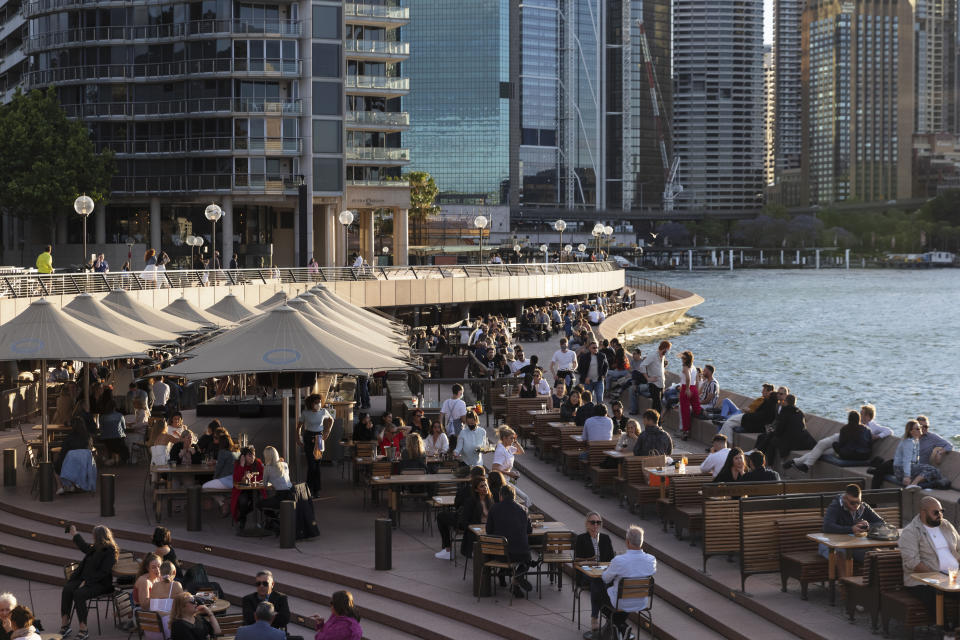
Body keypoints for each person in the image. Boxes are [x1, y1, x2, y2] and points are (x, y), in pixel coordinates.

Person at [900, 496, 960, 621]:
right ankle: (946, 632)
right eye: (936, 512)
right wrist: (940, 577)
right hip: (923, 582)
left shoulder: (946, 525)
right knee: (935, 596)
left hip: (952, 577)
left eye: (941, 511)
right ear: (923, 512)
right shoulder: (910, 532)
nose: (940, 515)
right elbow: (913, 563)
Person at [786, 404, 893, 473]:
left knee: (822, 448)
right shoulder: (863, 428)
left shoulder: (872, 427)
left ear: (869, 417)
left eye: (863, 414)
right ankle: (800, 463)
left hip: (847, 446)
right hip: (848, 443)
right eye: (860, 414)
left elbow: (888, 431)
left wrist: (877, 436)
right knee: (822, 446)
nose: (861, 416)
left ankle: (798, 462)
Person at [594, 525, 656, 640]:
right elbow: (650, 571)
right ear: (641, 542)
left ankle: (621, 627)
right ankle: (619, 627)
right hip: (641, 602)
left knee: (597, 592)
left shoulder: (619, 560)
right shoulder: (651, 560)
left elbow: (605, 578)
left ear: (627, 542)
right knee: (617, 594)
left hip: (621, 603)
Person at [60, 525, 119, 640]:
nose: (92, 537)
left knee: (79, 594)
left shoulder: (110, 551)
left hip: (101, 584)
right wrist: (75, 533)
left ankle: (83, 629)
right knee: (67, 589)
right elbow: (84, 547)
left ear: (99, 536)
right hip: (86, 580)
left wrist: (87, 582)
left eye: (94, 535)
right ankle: (65, 625)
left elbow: (104, 572)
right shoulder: (95, 547)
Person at [820, 485, 886, 573]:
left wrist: (868, 526)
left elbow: (881, 523)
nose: (856, 506)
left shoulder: (863, 507)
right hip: (831, 544)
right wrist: (851, 529)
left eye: (858, 502)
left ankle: (873, 584)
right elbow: (827, 526)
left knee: (876, 554)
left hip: (853, 545)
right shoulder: (835, 506)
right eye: (852, 503)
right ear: (844, 499)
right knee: (840, 554)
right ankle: (844, 585)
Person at [485, 484, 533, 599]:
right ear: (514, 496)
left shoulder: (494, 508)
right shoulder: (524, 510)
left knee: (504, 548)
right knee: (527, 560)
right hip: (521, 554)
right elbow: (529, 530)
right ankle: (517, 578)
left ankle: (503, 575)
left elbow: (488, 531)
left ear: (501, 496)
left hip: (499, 554)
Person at [575, 512, 616, 635]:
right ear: (587, 524)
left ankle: (605, 616)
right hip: (586, 574)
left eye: (598, 522)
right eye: (593, 522)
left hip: (602, 573)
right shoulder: (581, 539)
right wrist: (590, 561)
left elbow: (611, 559)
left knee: (603, 583)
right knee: (597, 582)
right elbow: (577, 561)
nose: (595, 525)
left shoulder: (605, 538)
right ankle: (599, 617)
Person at [435, 466, 486, 560]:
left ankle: (447, 550)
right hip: (483, 523)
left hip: (466, 523)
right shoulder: (488, 490)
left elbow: (457, 504)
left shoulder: (466, 489)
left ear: (471, 476)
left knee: (441, 516)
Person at [757, 394, 815, 465]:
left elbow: (779, 431)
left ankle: (765, 461)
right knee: (769, 436)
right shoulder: (800, 412)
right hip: (801, 441)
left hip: (790, 442)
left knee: (771, 440)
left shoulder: (784, 411)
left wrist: (772, 431)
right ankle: (759, 454)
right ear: (795, 403)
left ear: (786, 402)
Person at [894, 420, 948, 489]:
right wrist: (907, 476)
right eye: (917, 428)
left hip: (907, 469)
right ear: (911, 432)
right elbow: (906, 461)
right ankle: (913, 484)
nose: (920, 429)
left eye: (920, 427)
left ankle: (918, 483)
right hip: (901, 471)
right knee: (933, 470)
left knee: (935, 474)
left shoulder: (915, 440)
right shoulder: (909, 442)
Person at [298, 394, 333, 496]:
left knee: (317, 465)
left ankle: (316, 490)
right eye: (316, 403)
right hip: (308, 437)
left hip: (319, 437)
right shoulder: (305, 413)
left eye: (319, 402)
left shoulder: (323, 411)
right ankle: (309, 489)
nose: (318, 404)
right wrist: (298, 438)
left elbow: (331, 420)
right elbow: (299, 427)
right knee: (311, 465)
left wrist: (327, 432)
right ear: (311, 404)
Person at [202, 432, 240, 515]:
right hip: (235, 480)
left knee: (204, 487)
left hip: (227, 480)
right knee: (214, 486)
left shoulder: (222, 452)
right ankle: (224, 502)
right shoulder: (235, 451)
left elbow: (219, 468)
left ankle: (223, 502)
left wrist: (214, 478)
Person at [458, 476, 494, 559]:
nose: (485, 488)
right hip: (475, 532)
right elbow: (464, 521)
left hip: (489, 530)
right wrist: (474, 528)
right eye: (482, 486)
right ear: (476, 490)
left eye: (486, 485)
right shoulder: (470, 502)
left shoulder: (491, 501)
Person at [231, 446, 265, 531]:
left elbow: (262, 476)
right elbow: (236, 479)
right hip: (242, 490)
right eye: (249, 455)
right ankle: (243, 520)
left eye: (253, 455)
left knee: (259, 500)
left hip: (256, 490)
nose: (252, 457)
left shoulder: (258, 463)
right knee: (243, 501)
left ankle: (242, 516)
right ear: (243, 456)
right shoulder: (238, 464)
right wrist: (242, 466)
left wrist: (250, 478)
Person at [639, 341, 671, 416]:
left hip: (661, 385)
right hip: (654, 384)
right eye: (668, 349)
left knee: (655, 406)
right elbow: (642, 366)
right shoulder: (653, 355)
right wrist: (648, 378)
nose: (668, 351)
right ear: (664, 348)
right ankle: (658, 425)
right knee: (658, 407)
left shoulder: (662, 357)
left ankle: (652, 422)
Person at [98, 393, 129, 466]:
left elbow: (101, 428)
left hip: (106, 439)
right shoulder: (119, 415)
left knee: (112, 445)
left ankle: (111, 458)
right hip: (118, 438)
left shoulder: (102, 417)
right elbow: (124, 427)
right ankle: (121, 459)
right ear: (115, 407)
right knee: (122, 444)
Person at [677, 351, 701, 440]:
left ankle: (686, 431)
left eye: (683, 358)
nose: (681, 359)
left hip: (685, 388)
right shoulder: (694, 367)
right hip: (694, 388)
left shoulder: (685, 366)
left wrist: (687, 388)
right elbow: (697, 379)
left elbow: (688, 378)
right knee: (696, 409)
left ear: (686, 359)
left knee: (685, 411)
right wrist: (695, 390)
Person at [576, 341, 608, 406]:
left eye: (596, 347)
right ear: (589, 348)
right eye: (593, 348)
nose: (595, 349)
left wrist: (603, 375)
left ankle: (600, 413)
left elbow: (606, 366)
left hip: (598, 381)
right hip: (588, 382)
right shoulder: (584, 357)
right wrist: (585, 378)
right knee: (587, 400)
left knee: (600, 398)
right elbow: (579, 369)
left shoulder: (602, 356)